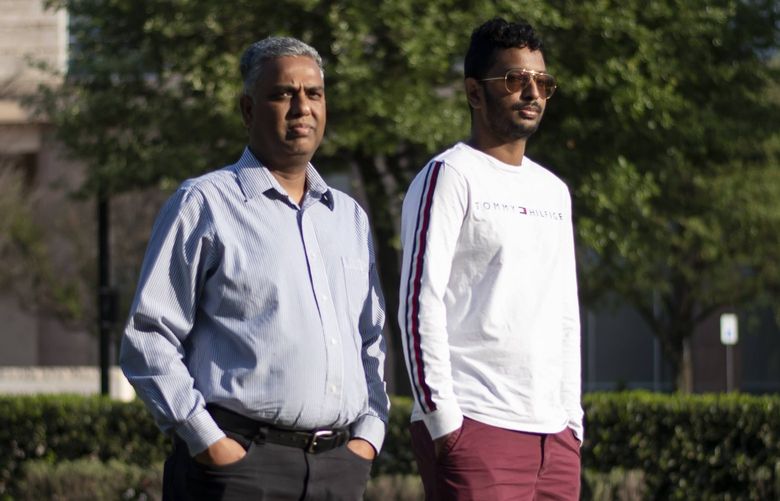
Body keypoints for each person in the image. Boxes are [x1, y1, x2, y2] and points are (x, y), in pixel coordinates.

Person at [120, 36, 389, 501]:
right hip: (240, 469)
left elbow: (372, 338)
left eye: (314, 94)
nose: (302, 107)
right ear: (248, 109)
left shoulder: (348, 217)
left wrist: (369, 435)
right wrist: (208, 441)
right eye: (283, 93)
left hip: (339, 471)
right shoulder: (204, 203)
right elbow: (148, 336)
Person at [398, 17, 583, 500]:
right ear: (475, 93)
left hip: (554, 438)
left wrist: (572, 421)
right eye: (514, 80)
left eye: (542, 82)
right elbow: (420, 301)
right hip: (477, 425)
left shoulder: (553, 191)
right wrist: (444, 421)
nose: (531, 93)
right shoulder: (449, 175)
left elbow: (565, 313)